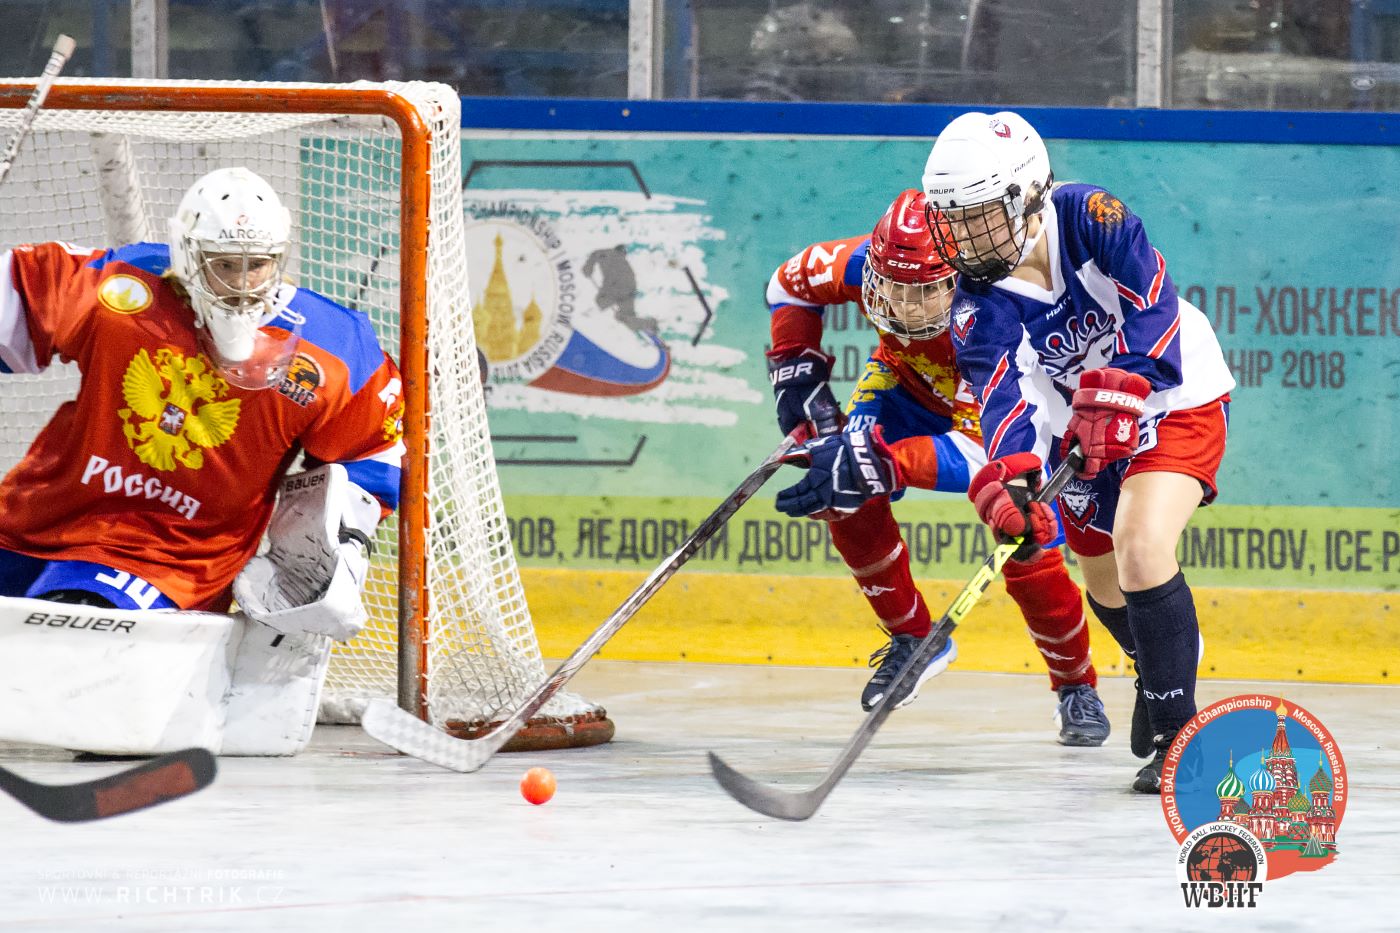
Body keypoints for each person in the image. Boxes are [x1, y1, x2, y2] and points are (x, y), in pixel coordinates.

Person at [922, 111, 1235, 792]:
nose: (967, 237)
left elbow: (1152, 304)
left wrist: (1121, 390)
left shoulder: (1092, 214)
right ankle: (1162, 669)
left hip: (1174, 394)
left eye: (980, 215)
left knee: (1141, 546)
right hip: (1080, 428)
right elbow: (1000, 395)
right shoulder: (976, 301)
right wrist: (1015, 479)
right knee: (1101, 579)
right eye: (955, 220)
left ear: (1030, 194)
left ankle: (1182, 739)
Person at [0, 167, 402, 665]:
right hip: (33, 519)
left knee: (77, 638)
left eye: (257, 265)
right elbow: (23, 291)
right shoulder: (123, 288)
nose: (241, 285)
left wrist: (338, 544)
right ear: (188, 254)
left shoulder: (334, 348)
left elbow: (374, 455)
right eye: (224, 265)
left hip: (170, 558)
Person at [764, 188, 1111, 746]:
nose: (905, 307)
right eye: (892, 287)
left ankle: (1075, 685)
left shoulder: (992, 309)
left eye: (925, 292)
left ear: (957, 278)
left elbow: (982, 451)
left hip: (1001, 414)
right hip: (906, 388)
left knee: (1023, 541)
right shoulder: (859, 263)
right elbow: (788, 284)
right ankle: (913, 639)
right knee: (842, 489)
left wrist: (882, 461)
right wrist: (794, 370)